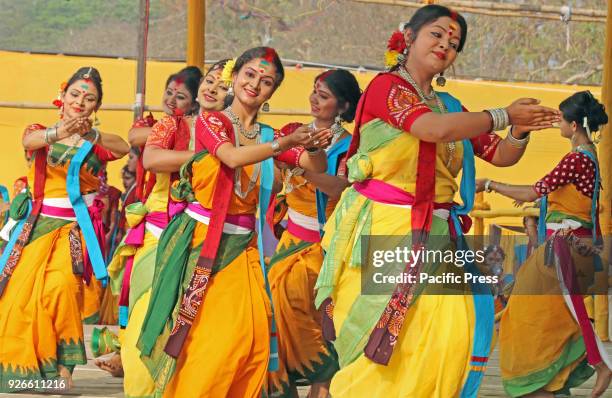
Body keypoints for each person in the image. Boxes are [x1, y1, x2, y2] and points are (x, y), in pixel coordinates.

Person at [313, 4, 560, 397]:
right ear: (409, 37)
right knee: (387, 349)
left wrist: (520, 129)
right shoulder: (386, 88)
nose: (446, 44)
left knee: (451, 337)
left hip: (439, 237)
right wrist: (502, 113)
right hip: (387, 228)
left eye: (455, 42)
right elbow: (430, 129)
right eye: (437, 34)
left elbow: (501, 155)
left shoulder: (453, 107)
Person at [136, 46, 332, 397]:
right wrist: (286, 144)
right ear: (235, 76)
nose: (256, 84)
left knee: (250, 338)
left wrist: (315, 147)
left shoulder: (270, 135)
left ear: (273, 92)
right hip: (202, 246)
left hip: (244, 251)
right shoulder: (215, 122)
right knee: (206, 343)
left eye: (267, 81)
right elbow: (230, 156)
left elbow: (315, 168)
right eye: (250, 75)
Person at [105, 63, 234, 398]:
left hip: (208, 239)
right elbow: (148, 156)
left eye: (221, 87)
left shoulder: (239, 135)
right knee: (145, 313)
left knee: (190, 322)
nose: (211, 90)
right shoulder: (171, 125)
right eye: (208, 82)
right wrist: (210, 153)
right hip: (160, 233)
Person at [0, 66, 129, 391]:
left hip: (73, 230)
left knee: (61, 290)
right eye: (75, 94)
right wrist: (58, 133)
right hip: (37, 226)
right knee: (23, 296)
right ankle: (25, 370)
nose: (80, 102)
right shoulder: (39, 131)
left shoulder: (95, 144)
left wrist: (91, 134)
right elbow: (29, 140)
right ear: (62, 96)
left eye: (89, 99)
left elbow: (123, 147)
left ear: (96, 107)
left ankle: (64, 370)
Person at [478, 90, 611, 397]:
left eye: (562, 120)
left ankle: (599, 365)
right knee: (558, 323)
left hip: (563, 251)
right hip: (569, 248)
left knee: (526, 320)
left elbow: (533, 191)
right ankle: (567, 380)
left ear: (575, 125)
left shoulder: (576, 160)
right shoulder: (589, 157)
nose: (558, 125)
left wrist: (490, 183)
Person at [266, 69, 361, 398]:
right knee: (274, 309)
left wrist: (303, 165)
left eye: (324, 95)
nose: (314, 99)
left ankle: (325, 374)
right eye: (314, 92)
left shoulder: (350, 146)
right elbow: (279, 182)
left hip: (323, 243)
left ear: (343, 105)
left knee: (298, 304)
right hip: (288, 240)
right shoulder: (292, 132)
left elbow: (339, 186)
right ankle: (289, 384)